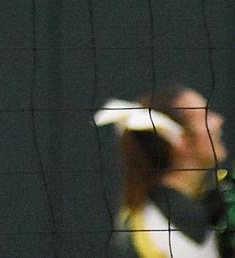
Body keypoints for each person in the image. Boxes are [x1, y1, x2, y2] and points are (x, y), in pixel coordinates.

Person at [96, 86, 233, 258]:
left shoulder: (214, 199)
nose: (218, 121)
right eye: (205, 116)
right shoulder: (160, 221)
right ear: (181, 141)